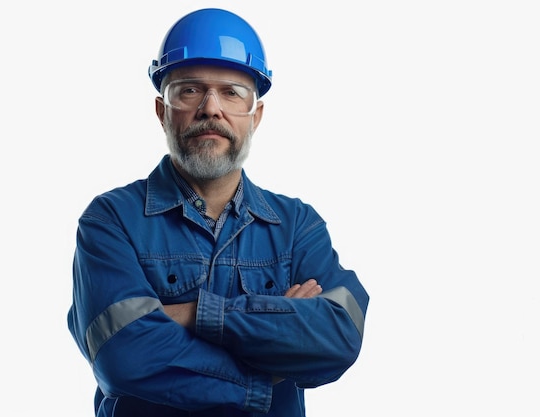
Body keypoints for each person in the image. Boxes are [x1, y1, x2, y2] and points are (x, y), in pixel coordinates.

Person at [67, 8, 369, 417]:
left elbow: (339, 336)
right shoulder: (111, 220)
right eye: (190, 90)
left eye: (231, 92)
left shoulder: (298, 226)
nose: (211, 108)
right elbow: (123, 356)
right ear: (162, 111)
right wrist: (265, 370)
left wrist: (194, 314)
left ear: (255, 116)